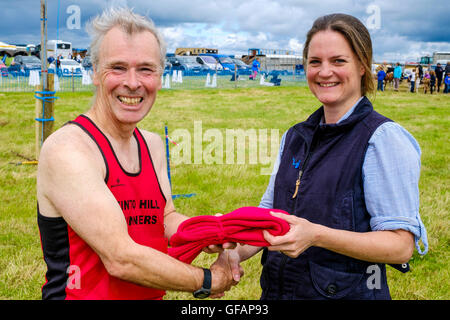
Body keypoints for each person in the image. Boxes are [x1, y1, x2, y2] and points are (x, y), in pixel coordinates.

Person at [36, 7, 239, 300]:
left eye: (146, 69)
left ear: (160, 75)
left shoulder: (152, 143)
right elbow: (121, 258)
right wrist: (207, 279)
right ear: (94, 72)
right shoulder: (68, 149)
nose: (132, 82)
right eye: (117, 67)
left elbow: (164, 217)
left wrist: (209, 232)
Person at [224, 13, 428, 300]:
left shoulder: (382, 138)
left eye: (338, 61)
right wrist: (233, 247)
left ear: (361, 65)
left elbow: (399, 246)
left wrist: (317, 235)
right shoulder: (294, 136)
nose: (324, 72)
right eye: (315, 61)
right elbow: (269, 216)